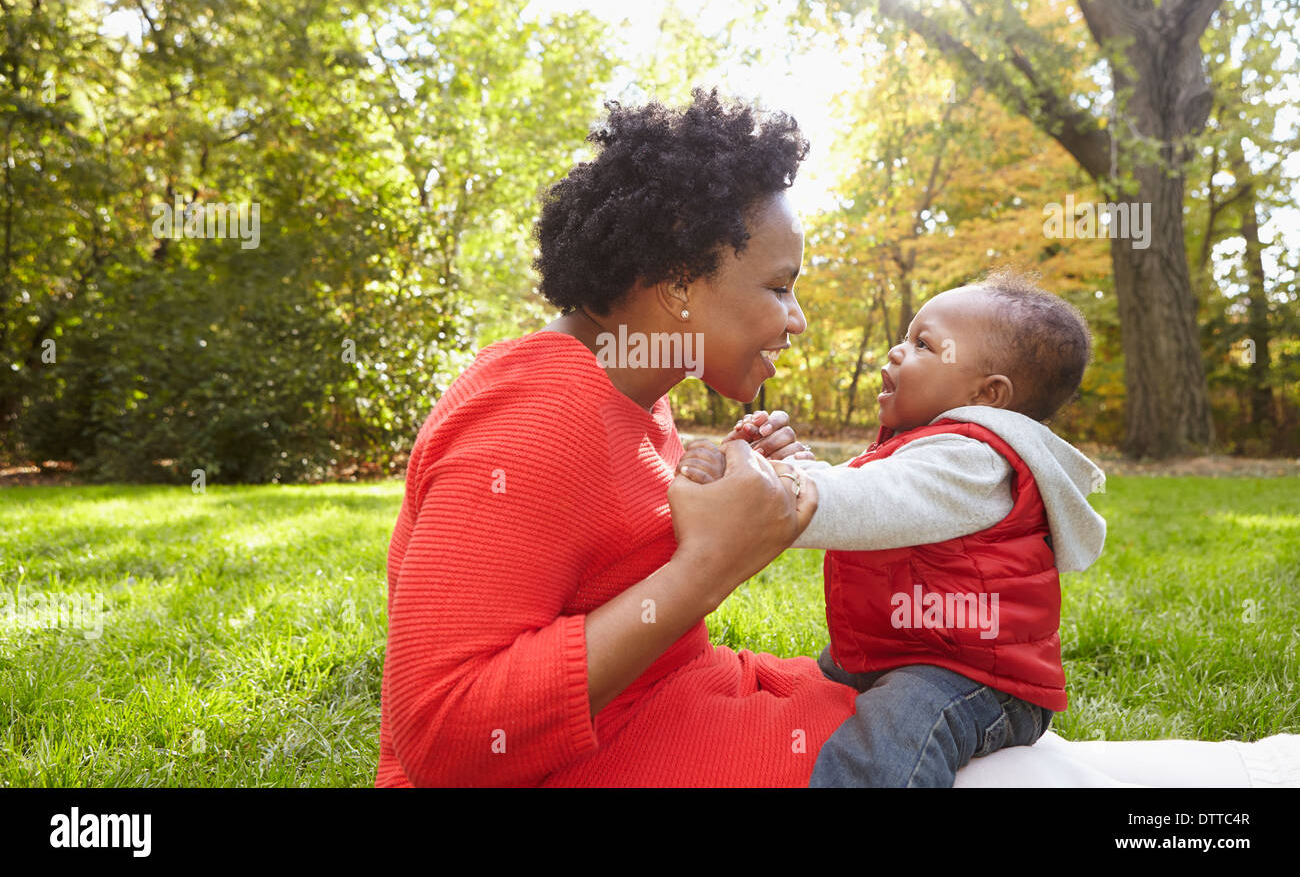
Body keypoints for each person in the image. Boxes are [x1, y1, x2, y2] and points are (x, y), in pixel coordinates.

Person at [376, 88, 1300, 787]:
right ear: (676, 275)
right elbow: (446, 735)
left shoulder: (634, 398)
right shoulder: (534, 407)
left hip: (714, 720)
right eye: (779, 287)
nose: (799, 319)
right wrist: (709, 565)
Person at [679, 272, 1105, 786]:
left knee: (889, 741)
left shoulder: (975, 461)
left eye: (922, 344)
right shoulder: (924, 446)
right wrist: (779, 467)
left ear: (987, 393)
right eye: (905, 335)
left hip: (973, 678)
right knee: (810, 694)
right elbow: (869, 488)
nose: (897, 351)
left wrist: (776, 488)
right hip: (900, 653)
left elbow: (868, 503)